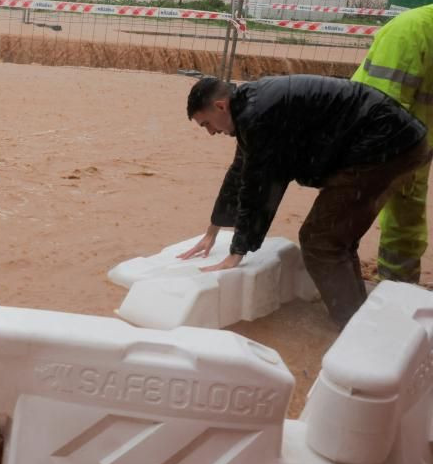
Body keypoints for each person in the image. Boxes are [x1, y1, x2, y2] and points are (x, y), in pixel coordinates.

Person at [179, 75, 429, 328]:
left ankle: (352, 328)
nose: (211, 132)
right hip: (398, 140)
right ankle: (357, 314)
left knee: (319, 240)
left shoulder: (258, 116)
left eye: (207, 124)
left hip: (386, 146)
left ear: (221, 106)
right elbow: (240, 173)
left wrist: (237, 251)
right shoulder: (251, 108)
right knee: (336, 238)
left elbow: (259, 188)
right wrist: (213, 229)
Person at [351, 3, 433, 283]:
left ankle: (399, 288)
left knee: (406, 221)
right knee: (345, 215)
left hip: (417, 143)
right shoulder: (410, 31)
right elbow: (381, 108)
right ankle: (341, 291)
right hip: (373, 141)